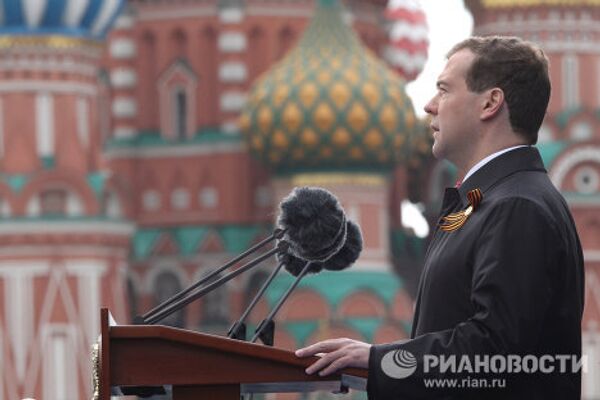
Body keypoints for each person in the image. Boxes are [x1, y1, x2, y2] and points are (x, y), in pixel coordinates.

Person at [295, 36, 585, 399]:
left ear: (490, 103)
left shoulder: (517, 206)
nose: (430, 106)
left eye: (444, 91)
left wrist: (381, 361)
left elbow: (495, 352)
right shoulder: (485, 202)